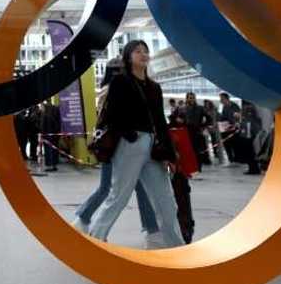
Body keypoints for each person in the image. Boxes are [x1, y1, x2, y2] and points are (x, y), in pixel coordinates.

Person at [85, 40, 185, 248]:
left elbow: (161, 122)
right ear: (128, 57)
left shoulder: (155, 88)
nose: (143, 54)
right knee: (119, 196)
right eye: (137, 51)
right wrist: (130, 135)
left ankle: (176, 245)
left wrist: (170, 154)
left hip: (153, 147)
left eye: (145, 51)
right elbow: (112, 115)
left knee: (165, 199)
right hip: (130, 145)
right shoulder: (121, 82)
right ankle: (96, 238)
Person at [74, 59, 160, 246]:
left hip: (114, 146)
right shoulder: (120, 89)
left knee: (113, 188)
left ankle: (84, 221)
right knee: (128, 189)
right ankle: (151, 231)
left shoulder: (107, 89)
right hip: (123, 146)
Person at [182, 92, 212, 167]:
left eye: (193, 98)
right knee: (189, 149)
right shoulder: (183, 109)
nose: (191, 99)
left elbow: (209, 118)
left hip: (197, 131)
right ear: (187, 98)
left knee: (198, 149)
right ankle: (192, 165)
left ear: (195, 98)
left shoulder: (200, 108)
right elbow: (178, 119)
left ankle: (199, 165)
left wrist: (203, 126)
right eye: (190, 98)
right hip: (187, 131)